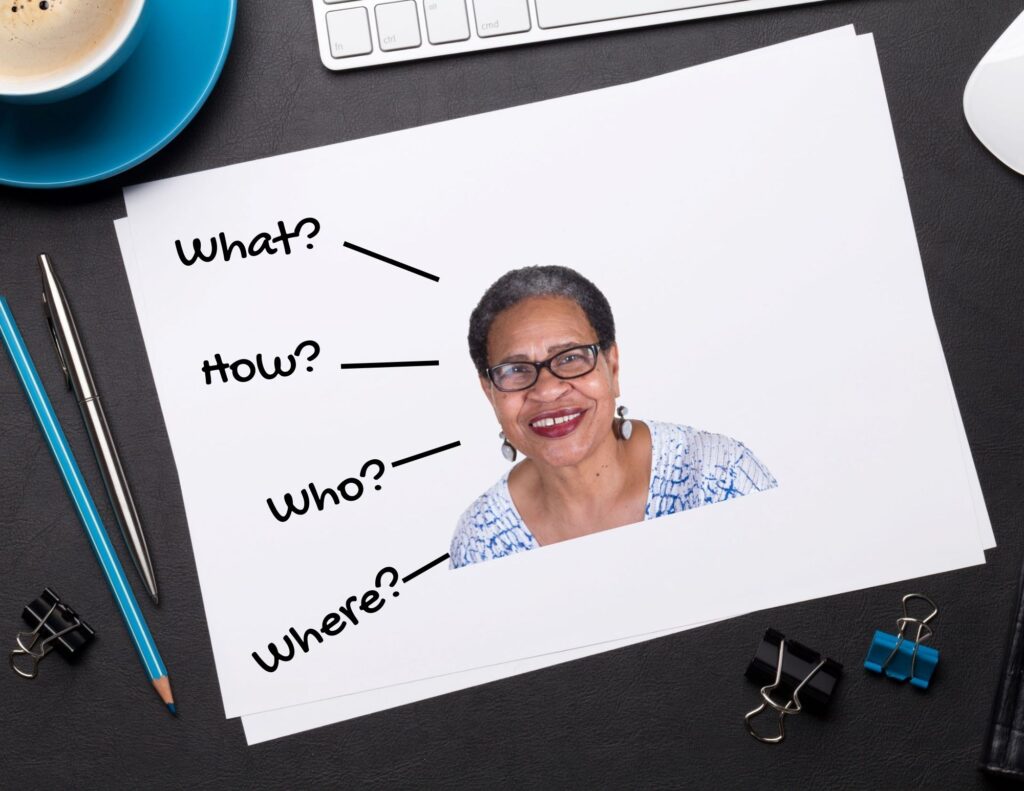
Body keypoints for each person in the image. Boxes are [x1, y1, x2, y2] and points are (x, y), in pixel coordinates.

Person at [450, 265, 777, 569]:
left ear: (613, 366)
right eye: (516, 370)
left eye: (570, 358)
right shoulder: (482, 541)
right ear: (490, 393)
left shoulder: (717, 475)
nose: (547, 391)